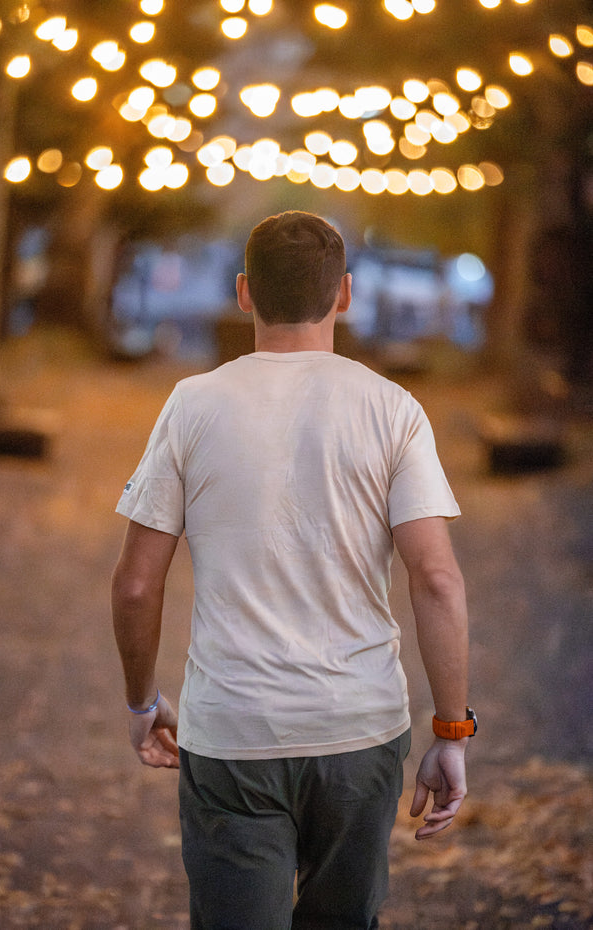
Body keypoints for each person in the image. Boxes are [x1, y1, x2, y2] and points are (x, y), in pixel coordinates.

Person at [112, 211, 474, 930]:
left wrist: (141, 703)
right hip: (359, 729)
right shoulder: (392, 410)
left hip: (232, 732)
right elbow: (435, 579)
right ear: (344, 294)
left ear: (244, 293)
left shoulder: (193, 405)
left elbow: (135, 583)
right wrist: (451, 731)